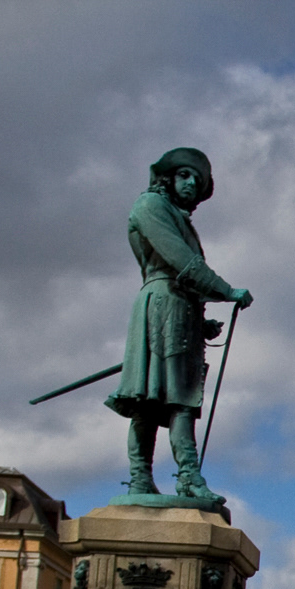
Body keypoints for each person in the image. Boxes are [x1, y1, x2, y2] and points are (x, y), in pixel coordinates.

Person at [106, 147, 252, 504]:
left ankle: (183, 477)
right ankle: (151, 478)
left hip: (182, 311)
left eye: (197, 181)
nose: (190, 184)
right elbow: (180, 260)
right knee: (150, 400)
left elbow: (184, 273)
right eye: (184, 176)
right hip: (161, 306)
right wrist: (225, 290)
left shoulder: (177, 216)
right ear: (168, 177)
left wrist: (201, 324)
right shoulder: (150, 207)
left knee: (177, 400)